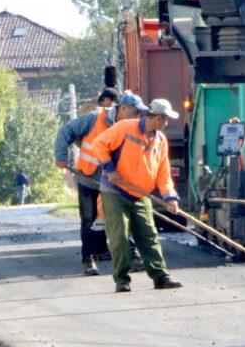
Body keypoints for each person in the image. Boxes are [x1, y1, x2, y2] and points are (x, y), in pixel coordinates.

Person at [93, 98, 184, 293]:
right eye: (166, 119)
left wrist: (170, 197)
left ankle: (161, 277)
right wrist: (109, 169)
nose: (167, 123)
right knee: (120, 236)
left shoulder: (160, 141)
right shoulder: (125, 128)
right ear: (158, 119)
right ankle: (122, 280)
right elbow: (99, 144)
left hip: (141, 195)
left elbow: (163, 174)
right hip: (115, 191)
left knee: (149, 235)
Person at [53, 88, 142, 276]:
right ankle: (89, 260)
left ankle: (131, 256)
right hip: (88, 178)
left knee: (120, 218)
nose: (138, 117)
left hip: (113, 182)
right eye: (136, 112)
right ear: (124, 109)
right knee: (89, 221)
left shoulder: (131, 127)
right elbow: (66, 131)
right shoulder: (94, 118)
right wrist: (61, 156)